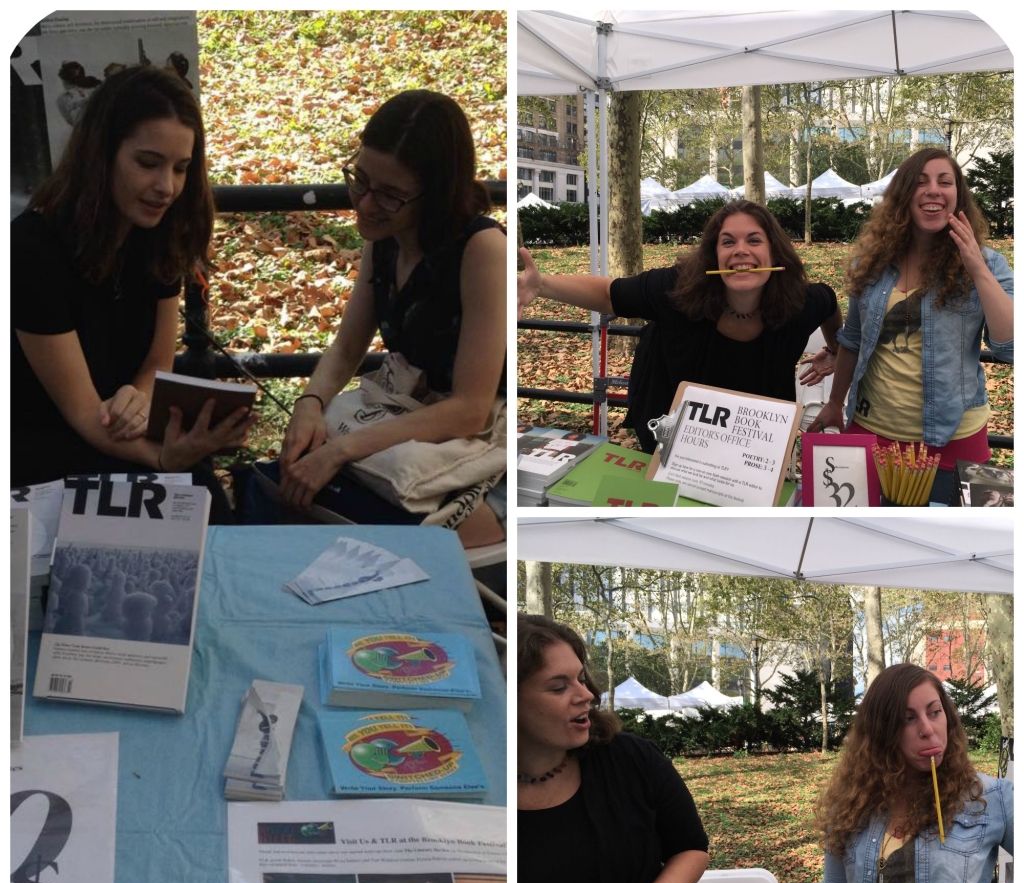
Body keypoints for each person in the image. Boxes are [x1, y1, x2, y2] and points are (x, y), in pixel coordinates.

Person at [11, 65, 253, 519]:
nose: (167, 188)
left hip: (122, 439)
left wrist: (139, 397)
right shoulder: (32, 250)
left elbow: (157, 363)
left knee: (207, 506)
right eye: (148, 163)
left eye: (181, 168)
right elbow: (82, 413)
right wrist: (163, 459)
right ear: (101, 154)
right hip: (44, 455)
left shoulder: (158, 234)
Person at [275, 89, 506, 546]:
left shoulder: (482, 249)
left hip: (470, 439)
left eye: (390, 195)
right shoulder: (385, 234)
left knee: (388, 533)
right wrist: (310, 404)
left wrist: (340, 450)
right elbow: (346, 347)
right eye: (359, 180)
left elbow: (469, 409)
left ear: (435, 193)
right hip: (406, 414)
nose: (363, 205)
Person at [517, 199, 843, 452]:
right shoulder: (675, 289)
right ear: (713, 255)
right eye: (728, 242)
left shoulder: (801, 303)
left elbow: (829, 304)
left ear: (774, 253)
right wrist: (541, 285)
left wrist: (835, 351)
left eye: (754, 240)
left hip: (754, 433)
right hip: (668, 418)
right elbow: (607, 293)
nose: (741, 250)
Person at [517, 615, 710, 883]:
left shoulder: (632, 759)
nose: (585, 694)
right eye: (559, 686)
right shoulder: (467, 785)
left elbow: (691, 848)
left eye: (581, 678)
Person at [795, 664, 1013, 883]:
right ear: (882, 733)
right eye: (908, 719)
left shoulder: (991, 799)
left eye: (935, 712)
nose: (928, 730)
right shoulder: (852, 805)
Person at [808, 148, 1013, 504]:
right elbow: (854, 339)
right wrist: (835, 401)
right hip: (871, 430)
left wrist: (976, 268)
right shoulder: (870, 262)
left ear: (957, 196)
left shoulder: (990, 264)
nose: (933, 190)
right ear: (903, 196)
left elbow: (1009, 348)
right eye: (920, 183)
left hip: (953, 438)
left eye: (944, 182)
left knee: (946, 547)